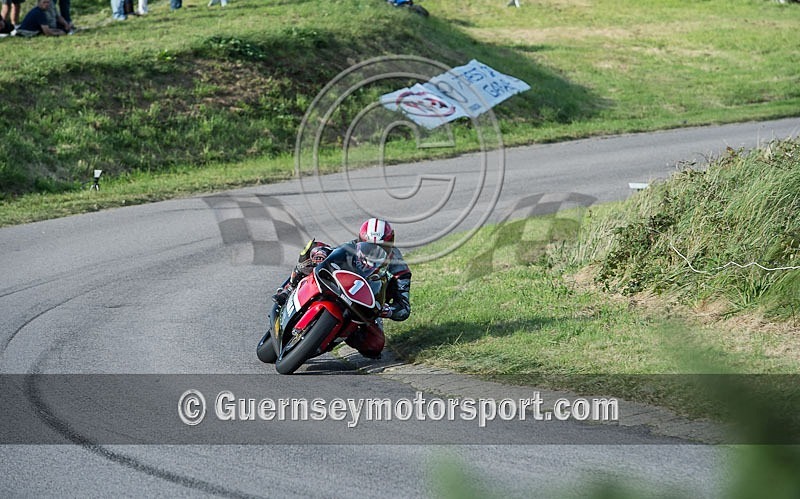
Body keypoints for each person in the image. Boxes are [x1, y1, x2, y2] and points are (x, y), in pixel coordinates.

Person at [272, 218, 412, 359]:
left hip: (368, 308)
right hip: (342, 287)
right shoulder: (353, 246)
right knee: (313, 248)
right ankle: (289, 288)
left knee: (374, 346)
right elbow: (335, 253)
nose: (372, 252)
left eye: (380, 248)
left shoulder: (400, 270)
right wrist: (321, 254)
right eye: (368, 246)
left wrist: (388, 311)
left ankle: (339, 335)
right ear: (360, 240)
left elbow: (404, 309)